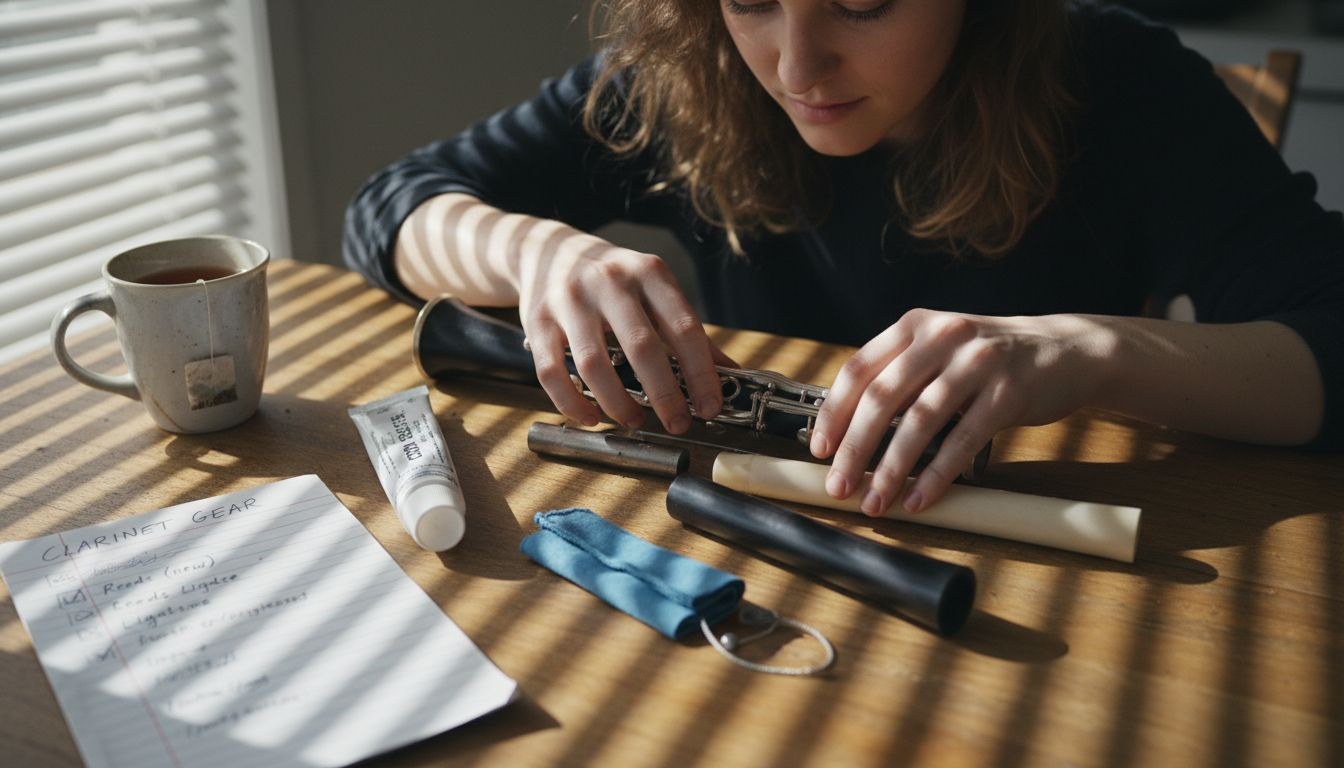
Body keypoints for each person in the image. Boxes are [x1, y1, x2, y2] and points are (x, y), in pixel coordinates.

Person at [344, 0, 1344, 519]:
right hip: (765, 544)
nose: (794, 66)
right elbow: (390, 208)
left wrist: (1089, 352)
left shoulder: (1125, 86)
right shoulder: (689, 72)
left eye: (863, 1)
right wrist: (531, 250)